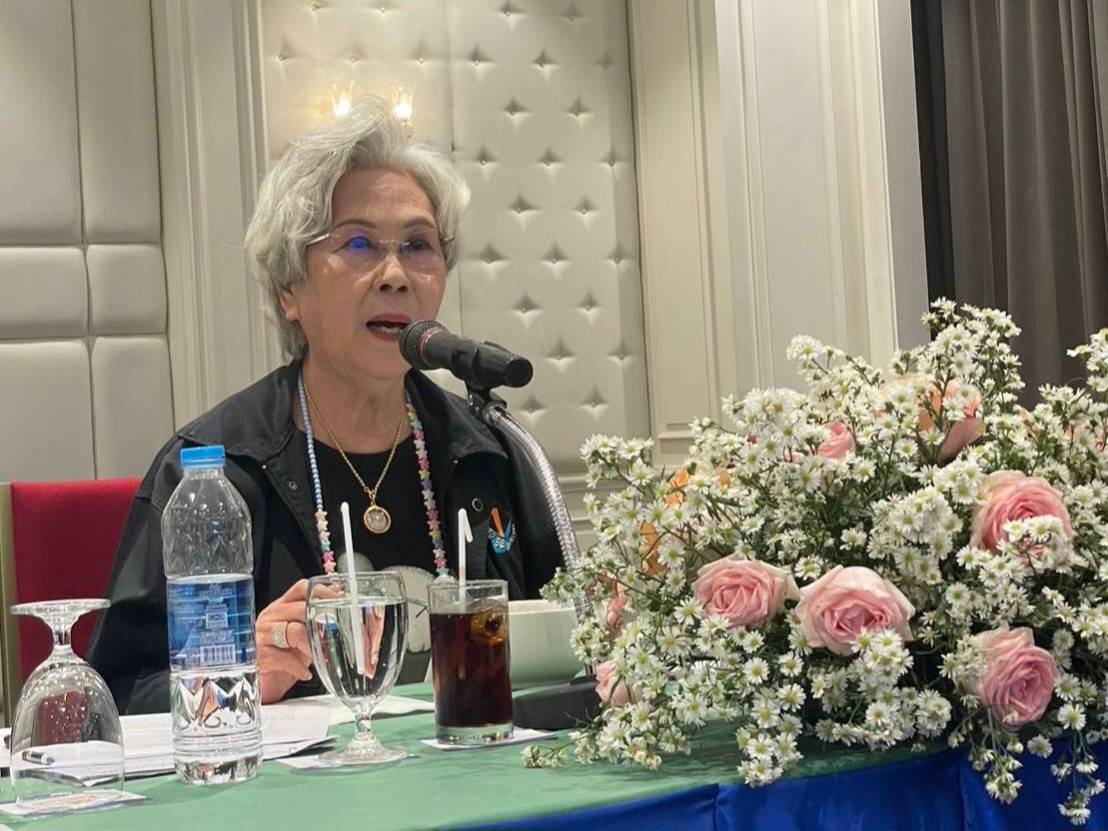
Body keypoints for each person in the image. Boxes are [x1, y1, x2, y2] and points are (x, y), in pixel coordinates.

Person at [87, 97, 563, 714]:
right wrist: (232, 680)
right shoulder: (212, 473)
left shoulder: (489, 450)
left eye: (418, 245)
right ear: (290, 288)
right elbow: (117, 696)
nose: (395, 275)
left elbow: (570, 648)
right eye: (359, 243)